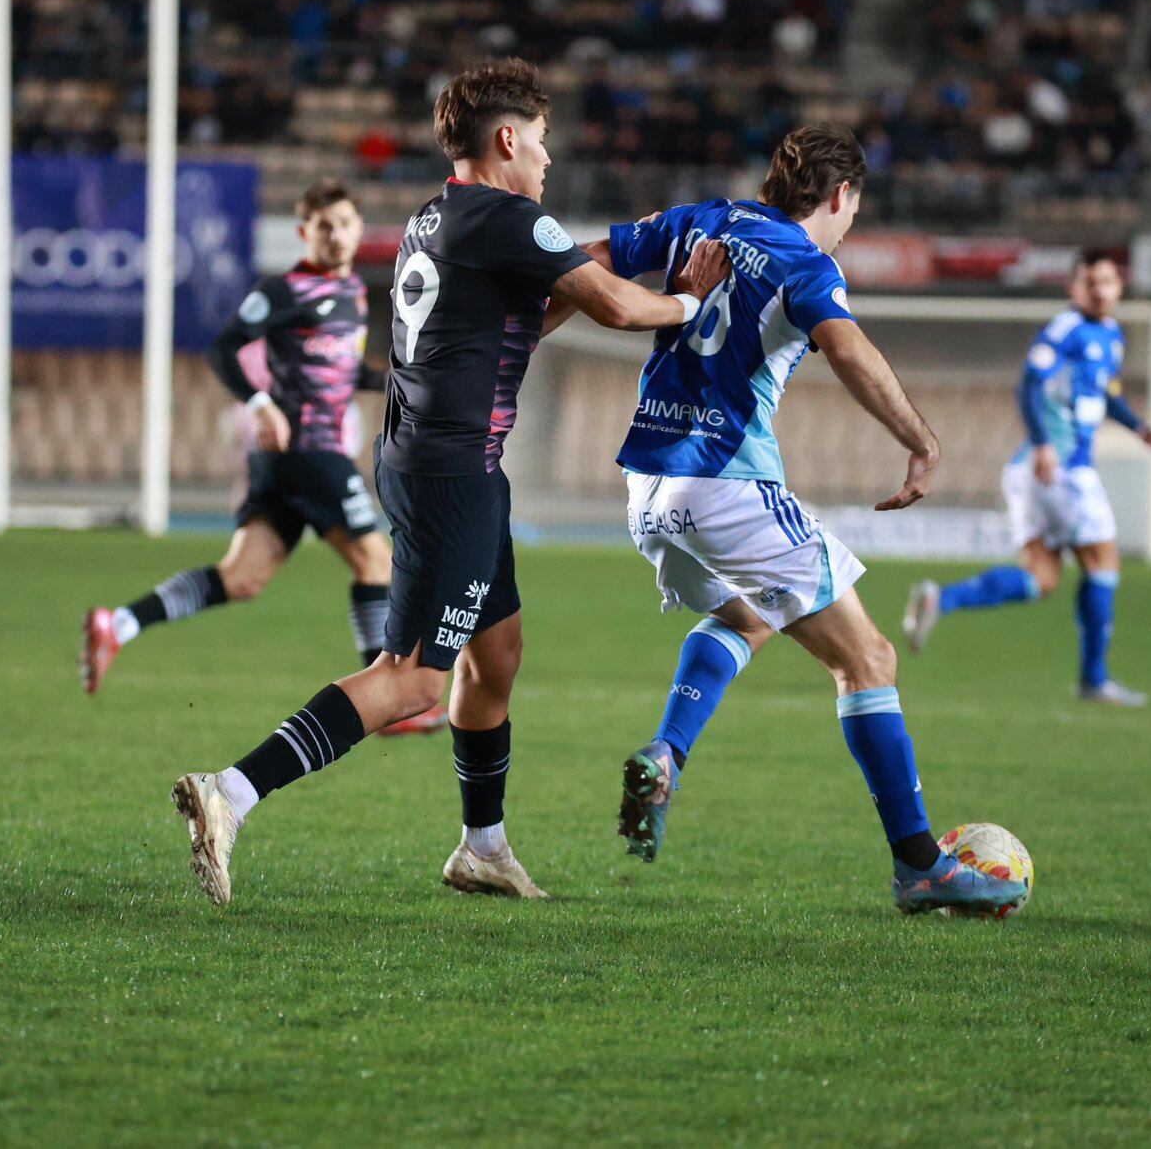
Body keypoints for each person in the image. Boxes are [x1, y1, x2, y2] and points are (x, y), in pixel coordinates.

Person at [168, 58, 730, 905]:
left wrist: (580, 272)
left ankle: (483, 848)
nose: (548, 160)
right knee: (415, 675)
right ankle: (232, 793)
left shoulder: (435, 216)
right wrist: (690, 301)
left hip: (441, 461)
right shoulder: (512, 217)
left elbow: (519, 324)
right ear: (506, 140)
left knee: (495, 655)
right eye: (540, 143)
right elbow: (619, 307)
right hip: (451, 473)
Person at [557, 123, 1026, 915]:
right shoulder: (809, 264)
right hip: (725, 485)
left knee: (748, 618)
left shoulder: (698, 220)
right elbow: (846, 349)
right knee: (869, 659)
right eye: (853, 210)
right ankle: (920, 865)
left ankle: (666, 754)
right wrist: (920, 439)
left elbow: (578, 263)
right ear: (841, 196)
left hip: (645, 491)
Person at [82, 179, 441, 731]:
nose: (337, 235)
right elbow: (224, 347)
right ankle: (385, 701)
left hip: (285, 465)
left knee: (242, 577)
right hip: (308, 452)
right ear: (304, 233)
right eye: (324, 226)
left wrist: (397, 382)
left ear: (359, 229)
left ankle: (120, 625)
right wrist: (259, 402)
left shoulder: (352, 293)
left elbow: (342, 375)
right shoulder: (284, 289)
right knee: (376, 560)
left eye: (345, 224)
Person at [901, 250, 1151, 706]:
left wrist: (1140, 428)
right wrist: (1045, 442)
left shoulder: (1111, 336)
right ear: (1074, 287)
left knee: (1040, 579)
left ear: (1119, 286)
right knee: (1103, 564)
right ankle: (1093, 679)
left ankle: (939, 600)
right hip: (1059, 467)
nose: (1100, 290)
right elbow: (1028, 385)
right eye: (1090, 281)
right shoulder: (1065, 330)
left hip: (1034, 470)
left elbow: (1107, 395)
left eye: (1108, 281)